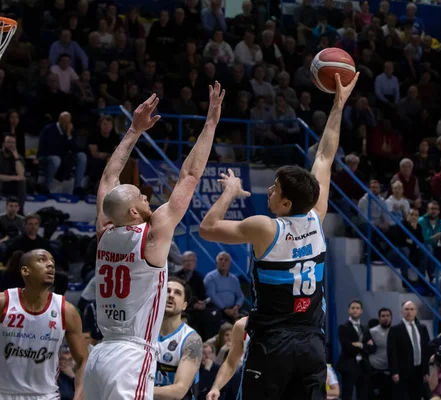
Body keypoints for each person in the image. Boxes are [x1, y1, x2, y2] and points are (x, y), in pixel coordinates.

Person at [199, 72, 360, 399]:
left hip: (273, 344)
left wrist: (230, 192)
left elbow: (207, 227)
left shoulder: (265, 227)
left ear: (286, 203)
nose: (269, 191)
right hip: (313, 344)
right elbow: (325, 156)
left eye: (275, 189)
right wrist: (339, 104)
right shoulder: (317, 216)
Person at [84, 85, 225, 400]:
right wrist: (211, 124)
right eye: (140, 196)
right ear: (134, 212)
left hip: (100, 353)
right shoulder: (153, 235)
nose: (146, 195)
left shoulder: (105, 229)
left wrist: (134, 130)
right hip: (131, 355)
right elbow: (189, 175)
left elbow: (108, 180)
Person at [0, 249, 88, 399]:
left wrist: (79, 396)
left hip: (45, 395)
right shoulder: (4, 302)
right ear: (25, 270)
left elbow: (83, 360)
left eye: (52, 262)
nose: (50, 265)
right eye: (42, 260)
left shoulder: (66, 311)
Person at [154, 278, 203, 400]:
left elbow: (179, 391)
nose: (171, 295)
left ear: (184, 306)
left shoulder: (191, 340)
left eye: (177, 293)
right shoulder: (143, 331)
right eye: (167, 291)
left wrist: (138, 388)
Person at [387, 301, 431, 400]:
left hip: (419, 371)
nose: (409, 312)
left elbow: (426, 351)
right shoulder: (395, 329)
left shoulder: (422, 328)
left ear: (415, 311)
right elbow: (392, 353)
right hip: (402, 372)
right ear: (402, 311)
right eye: (406, 309)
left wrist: (426, 371)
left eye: (412, 309)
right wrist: (394, 372)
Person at [336, 300, 375, 400]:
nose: (355, 310)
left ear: (361, 311)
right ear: (349, 310)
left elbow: (373, 348)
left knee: (363, 395)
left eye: (357, 308)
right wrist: (365, 346)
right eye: (353, 308)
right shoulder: (343, 328)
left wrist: (360, 345)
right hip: (349, 366)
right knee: (347, 395)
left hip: (363, 367)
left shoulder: (365, 329)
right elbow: (347, 348)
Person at [206, 316, 248, 400]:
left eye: (230, 335)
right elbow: (230, 364)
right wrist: (216, 387)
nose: (229, 337)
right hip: (249, 385)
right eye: (226, 335)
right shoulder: (242, 325)